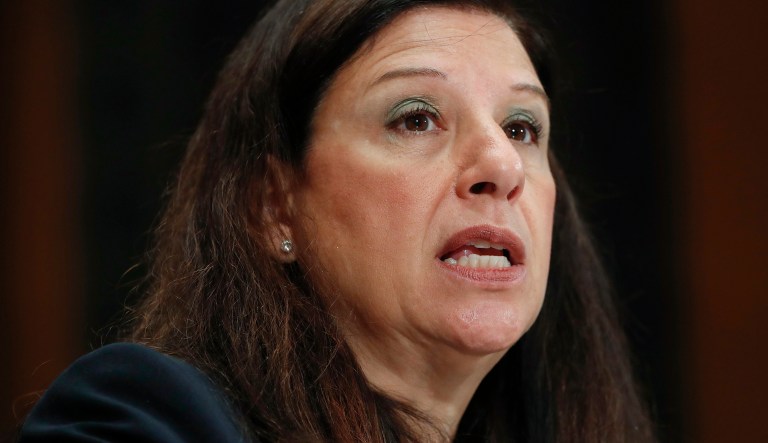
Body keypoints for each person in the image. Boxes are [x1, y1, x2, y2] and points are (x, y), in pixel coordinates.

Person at [20, 0, 655, 441]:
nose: (501, 163)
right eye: (415, 117)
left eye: (522, 127)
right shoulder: (150, 417)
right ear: (273, 206)